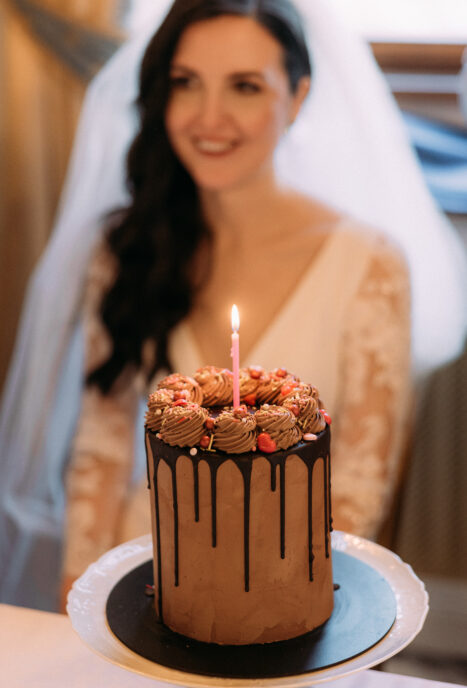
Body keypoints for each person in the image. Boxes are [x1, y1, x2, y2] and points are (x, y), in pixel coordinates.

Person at [1, 0, 465, 613]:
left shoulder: (371, 267)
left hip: (283, 596)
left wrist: (263, 610)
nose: (209, 118)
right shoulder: (129, 248)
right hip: (141, 582)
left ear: (297, 97)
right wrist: (82, 594)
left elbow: (354, 489)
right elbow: (102, 444)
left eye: (245, 86)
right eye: (186, 83)